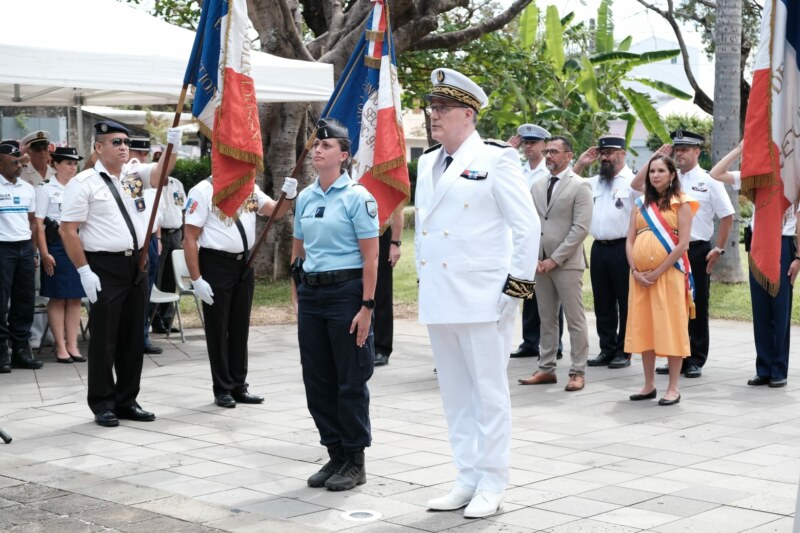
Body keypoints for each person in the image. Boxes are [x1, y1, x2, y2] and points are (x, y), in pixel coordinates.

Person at [416, 69, 539, 518]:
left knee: (489, 395)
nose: (435, 115)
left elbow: (527, 227)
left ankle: (493, 481)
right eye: (433, 107)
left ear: (467, 114)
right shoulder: (427, 162)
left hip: (484, 295)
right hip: (441, 295)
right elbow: (425, 233)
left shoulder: (497, 159)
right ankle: (465, 477)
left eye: (443, 109)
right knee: (455, 395)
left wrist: (517, 287)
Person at [60, 120, 174, 428]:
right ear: (98, 147)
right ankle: (102, 402)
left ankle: (127, 399)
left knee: (132, 335)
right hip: (104, 265)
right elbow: (68, 230)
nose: (123, 146)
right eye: (116, 142)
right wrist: (84, 271)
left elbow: (163, 174)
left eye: (125, 142)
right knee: (105, 338)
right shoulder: (83, 183)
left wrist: (171, 147)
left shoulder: (133, 175)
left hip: (137, 263)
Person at [291, 118, 378, 492]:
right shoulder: (306, 198)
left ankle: (355, 459)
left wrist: (367, 307)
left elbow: (371, 258)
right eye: (315, 145)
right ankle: (335, 451)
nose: (317, 150)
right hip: (313, 295)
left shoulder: (359, 198)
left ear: (343, 156)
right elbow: (298, 249)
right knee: (318, 379)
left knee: (349, 380)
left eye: (326, 147)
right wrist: (298, 292)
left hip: (346, 293)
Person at [183, 170, 297, 409]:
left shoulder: (249, 188)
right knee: (218, 327)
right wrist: (196, 278)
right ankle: (222, 388)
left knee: (239, 325)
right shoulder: (203, 190)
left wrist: (289, 194)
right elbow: (190, 238)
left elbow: (276, 211)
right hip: (215, 263)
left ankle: (239, 385)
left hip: (243, 263)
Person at [634, 131, 735, 378]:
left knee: (696, 304)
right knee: (672, 306)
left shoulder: (709, 179)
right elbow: (637, 185)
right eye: (677, 149)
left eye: (685, 149)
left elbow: (727, 216)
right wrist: (658, 155)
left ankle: (696, 358)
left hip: (697, 249)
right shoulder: (669, 178)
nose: (679, 153)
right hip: (667, 251)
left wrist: (718, 249)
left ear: (697, 152)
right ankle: (675, 355)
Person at [709, 143, 799, 388]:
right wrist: (740, 149)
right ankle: (764, 367)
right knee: (761, 311)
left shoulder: (793, 178)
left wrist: (798, 257)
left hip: (782, 244)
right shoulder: (756, 176)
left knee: (779, 310)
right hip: (758, 243)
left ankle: (779, 369)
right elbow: (715, 174)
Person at [518, 135, 592, 392]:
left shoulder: (580, 186)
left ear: (569, 156)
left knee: (575, 319)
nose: (549, 155)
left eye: (554, 151)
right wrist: (535, 257)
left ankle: (577, 372)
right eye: (547, 151)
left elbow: (580, 229)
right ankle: (546, 368)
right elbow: (530, 222)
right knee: (546, 319)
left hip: (567, 263)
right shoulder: (537, 185)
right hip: (539, 263)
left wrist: (555, 259)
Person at [625, 155, 698, 405]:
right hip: (639, 278)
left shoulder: (683, 203)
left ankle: (674, 387)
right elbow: (630, 239)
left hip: (668, 275)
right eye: (652, 171)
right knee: (645, 326)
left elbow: (683, 244)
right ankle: (648, 384)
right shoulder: (640, 204)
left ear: (672, 175)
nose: (655, 175)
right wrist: (635, 270)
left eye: (661, 171)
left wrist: (657, 272)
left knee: (671, 326)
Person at [573, 134, 638, 369]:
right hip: (599, 248)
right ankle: (606, 348)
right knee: (603, 302)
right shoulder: (594, 181)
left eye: (610, 153)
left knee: (626, 302)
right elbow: (566, 183)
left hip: (624, 248)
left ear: (622, 153)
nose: (605, 157)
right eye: (603, 153)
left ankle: (624, 351)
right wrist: (580, 164)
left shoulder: (633, 181)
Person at [508, 123, 564, 360]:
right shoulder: (517, 170)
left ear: (544, 145)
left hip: (546, 237)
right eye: (525, 143)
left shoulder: (548, 172)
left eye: (533, 143)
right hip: (523, 238)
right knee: (526, 289)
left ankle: (555, 344)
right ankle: (530, 341)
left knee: (550, 293)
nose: (528, 148)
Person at [35, 147, 87, 364]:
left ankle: (73, 344)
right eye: (67, 163)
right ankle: (60, 345)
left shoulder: (80, 187)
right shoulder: (45, 189)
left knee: (75, 298)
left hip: (77, 246)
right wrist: (44, 253)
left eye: (75, 163)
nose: (72, 167)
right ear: (55, 164)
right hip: (56, 248)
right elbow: (38, 225)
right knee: (57, 298)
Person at [0, 140, 43, 373]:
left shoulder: (27, 188)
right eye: (14, 162)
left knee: (25, 300)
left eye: (20, 161)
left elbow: (34, 224)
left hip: (24, 248)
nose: (19, 166)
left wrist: (34, 252)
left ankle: (21, 349)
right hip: (2, 248)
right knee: (0, 302)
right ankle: (1, 351)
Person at [151, 145, 186, 335]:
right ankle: (154, 319)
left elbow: (183, 210)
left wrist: (184, 235)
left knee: (171, 278)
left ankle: (167, 318)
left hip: (176, 233)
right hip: (160, 234)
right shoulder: (152, 185)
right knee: (157, 275)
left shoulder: (177, 184)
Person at [373, 209, 403, 366]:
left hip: (380, 232)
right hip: (351, 233)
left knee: (381, 292)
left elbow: (397, 207)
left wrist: (395, 242)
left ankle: (381, 348)